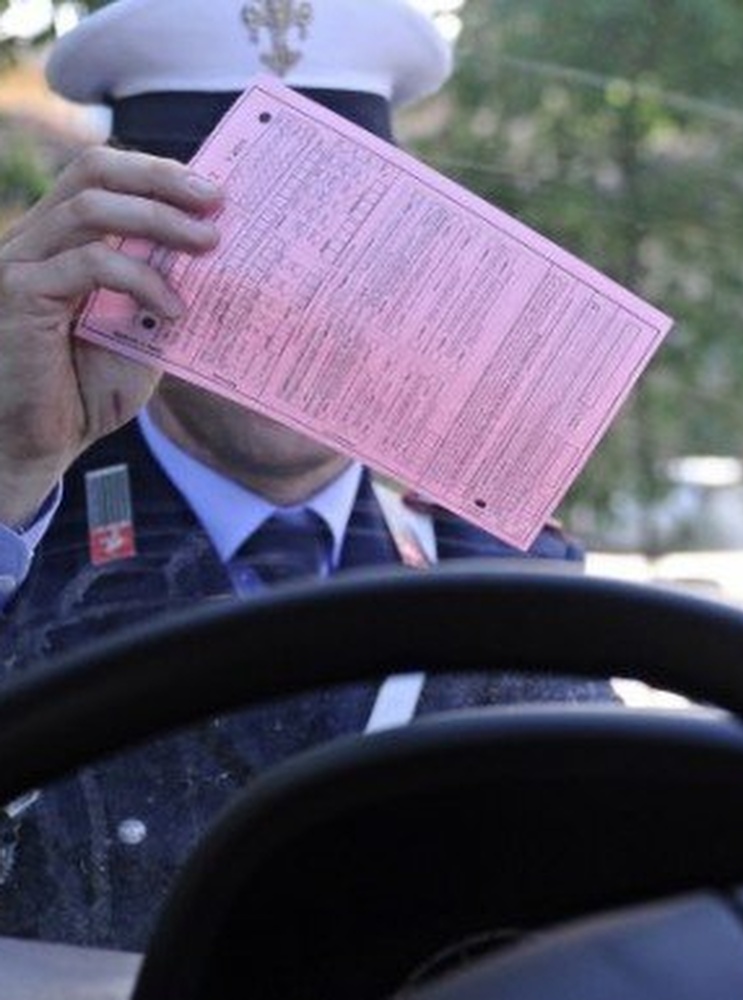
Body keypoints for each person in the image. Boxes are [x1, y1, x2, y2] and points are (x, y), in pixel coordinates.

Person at [0, 0, 613, 950]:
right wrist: (10, 463)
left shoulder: (497, 567)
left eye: (338, 238)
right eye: (214, 233)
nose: (283, 291)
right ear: (111, 248)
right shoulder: (22, 526)